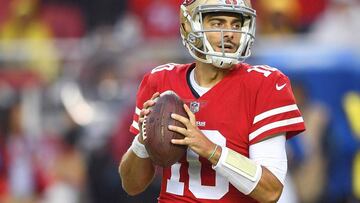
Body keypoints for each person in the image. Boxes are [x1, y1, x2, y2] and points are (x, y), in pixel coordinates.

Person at [119, 0, 305, 202]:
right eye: (218, 23)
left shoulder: (265, 84)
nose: (231, 33)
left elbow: (270, 191)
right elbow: (132, 185)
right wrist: (143, 140)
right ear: (189, 26)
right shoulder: (161, 80)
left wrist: (210, 149)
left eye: (236, 24)